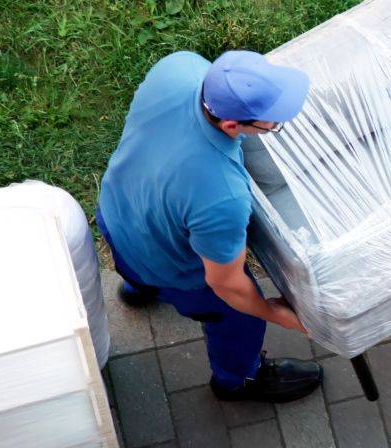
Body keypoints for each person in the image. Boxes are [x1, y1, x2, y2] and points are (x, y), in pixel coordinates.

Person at [97, 50, 324, 403]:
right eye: (271, 124)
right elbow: (225, 283)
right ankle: (238, 380)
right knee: (240, 318)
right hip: (171, 267)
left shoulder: (178, 66)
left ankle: (138, 289)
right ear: (231, 126)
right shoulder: (223, 195)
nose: (275, 126)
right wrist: (274, 313)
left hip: (116, 212)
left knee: (137, 265)